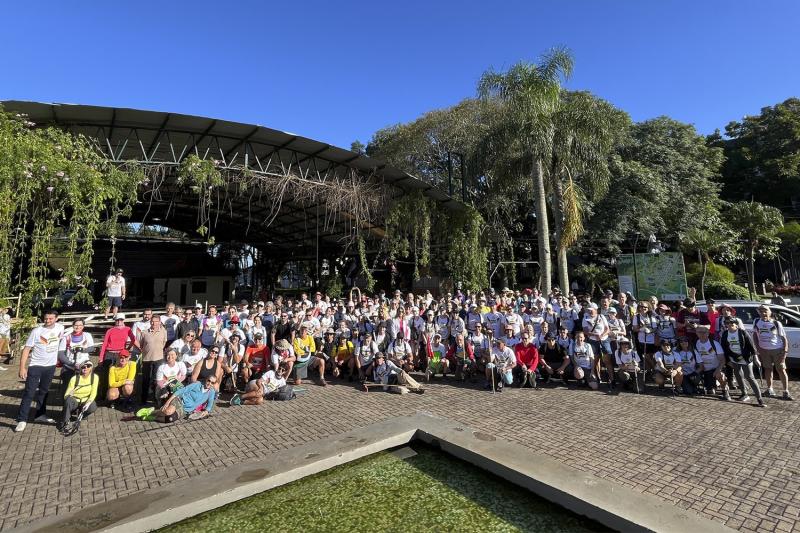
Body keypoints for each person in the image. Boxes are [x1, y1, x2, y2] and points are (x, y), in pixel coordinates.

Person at [15, 309, 64, 432]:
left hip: (51, 366)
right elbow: (26, 349)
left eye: (50, 318)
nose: (47, 321)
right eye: (46, 318)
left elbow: (62, 342)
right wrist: (22, 367)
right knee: (29, 393)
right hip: (36, 365)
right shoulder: (37, 331)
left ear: (56, 318)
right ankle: (22, 419)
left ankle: (40, 415)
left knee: (44, 391)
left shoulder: (60, 328)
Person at [720, 317, 765, 407]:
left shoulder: (742, 332)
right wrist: (728, 360)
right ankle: (744, 394)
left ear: (736, 325)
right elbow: (724, 348)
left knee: (749, 377)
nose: (729, 326)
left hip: (745, 357)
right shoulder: (725, 334)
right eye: (727, 324)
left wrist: (756, 358)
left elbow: (751, 346)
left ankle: (759, 398)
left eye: (732, 324)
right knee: (738, 376)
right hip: (734, 358)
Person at [752, 305, 793, 400]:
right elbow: (755, 334)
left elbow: (784, 338)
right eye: (761, 311)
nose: (763, 313)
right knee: (768, 369)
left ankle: (786, 391)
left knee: (781, 370)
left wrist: (784, 352)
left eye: (765, 311)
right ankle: (770, 389)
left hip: (777, 350)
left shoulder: (776, 323)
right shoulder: (756, 321)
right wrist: (758, 347)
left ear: (770, 312)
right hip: (764, 350)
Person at [137, 376, 217, 423]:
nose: (209, 383)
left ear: (214, 384)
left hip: (186, 410)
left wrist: (206, 411)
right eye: (209, 380)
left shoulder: (211, 392)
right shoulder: (197, 384)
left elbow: (210, 404)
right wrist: (167, 402)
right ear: (206, 380)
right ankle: (150, 411)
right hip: (180, 400)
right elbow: (182, 390)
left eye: (212, 382)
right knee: (168, 411)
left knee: (170, 419)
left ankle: (151, 417)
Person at [57, 318, 94, 396]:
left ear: (83, 326)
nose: (78, 327)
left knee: (82, 386)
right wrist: (70, 363)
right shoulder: (66, 337)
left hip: (84, 366)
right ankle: (66, 403)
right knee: (67, 387)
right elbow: (60, 353)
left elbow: (91, 348)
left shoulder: (87, 335)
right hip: (69, 366)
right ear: (73, 326)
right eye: (76, 325)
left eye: (80, 325)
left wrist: (81, 350)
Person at [60, 353, 98, 429]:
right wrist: (70, 395)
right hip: (75, 400)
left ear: (91, 368)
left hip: (85, 400)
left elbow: (94, 392)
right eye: (83, 367)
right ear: (80, 368)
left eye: (88, 366)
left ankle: (81, 414)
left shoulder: (95, 377)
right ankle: (65, 421)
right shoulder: (74, 379)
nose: (86, 368)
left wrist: (89, 402)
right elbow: (66, 395)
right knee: (68, 401)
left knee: (93, 406)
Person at [695, 325, 730, 400]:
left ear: (708, 333)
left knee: (720, 375)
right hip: (704, 370)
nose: (702, 334)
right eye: (699, 332)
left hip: (715, 368)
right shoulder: (695, 344)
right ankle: (712, 385)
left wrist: (718, 370)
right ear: (696, 333)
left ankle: (725, 390)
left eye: (704, 332)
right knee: (710, 391)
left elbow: (723, 360)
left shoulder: (715, 344)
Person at [139, 316, 168, 404]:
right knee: (146, 379)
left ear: (159, 322)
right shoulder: (144, 333)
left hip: (158, 359)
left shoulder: (164, 332)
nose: (154, 323)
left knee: (157, 380)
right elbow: (141, 345)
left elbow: (164, 343)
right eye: (152, 321)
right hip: (147, 359)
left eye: (156, 321)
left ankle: (156, 399)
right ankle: (143, 399)